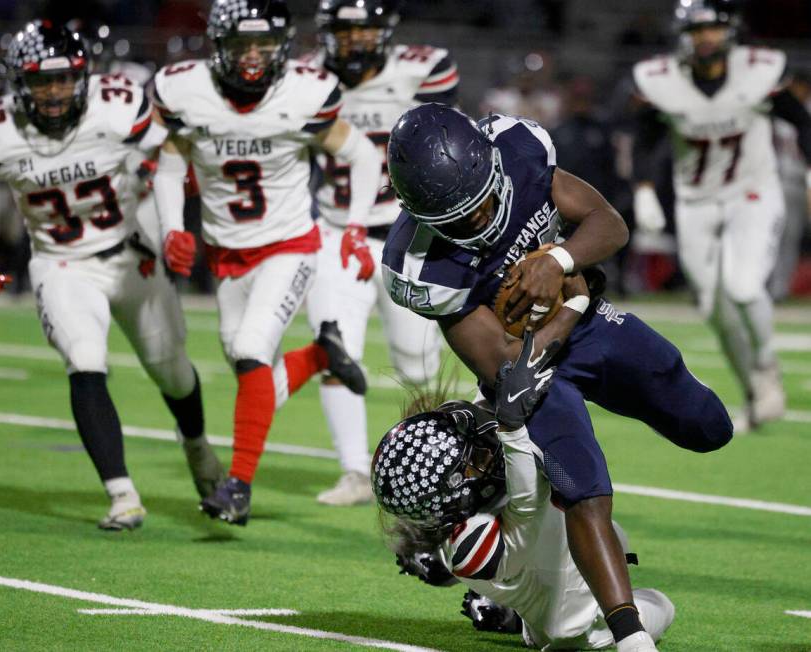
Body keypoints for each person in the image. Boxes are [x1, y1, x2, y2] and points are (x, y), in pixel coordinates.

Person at [381, 103, 733, 648]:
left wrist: (561, 262)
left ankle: (504, 591)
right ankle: (629, 633)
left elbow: (609, 225)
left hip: (587, 325)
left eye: (480, 205)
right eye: (456, 219)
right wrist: (572, 302)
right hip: (532, 364)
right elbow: (507, 365)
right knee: (579, 483)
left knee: (710, 428)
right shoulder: (421, 266)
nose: (476, 222)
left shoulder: (519, 149)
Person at [0, 21, 221, 530]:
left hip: (132, 253)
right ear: (20, 85)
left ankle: (198, 451)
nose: (55, 92)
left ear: (85, 76)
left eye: (64, 79)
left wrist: (171, 222)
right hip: (61, 263)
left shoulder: (118, 105)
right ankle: (122, 493)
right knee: (85, 361)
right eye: (41, 81)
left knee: (172, 371)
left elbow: (173, 156)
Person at [151, 0, 384, 525]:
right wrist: (172, 227)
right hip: (227, 253)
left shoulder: (302, 93)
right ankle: (321, 355)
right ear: (217, 47)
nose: (253, 57)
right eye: (240, 45)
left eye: (263, 45)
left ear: (282, 47)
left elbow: (363, 155)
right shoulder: (189, 93)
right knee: (244, 361)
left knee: (253, 349)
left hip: (288, 245)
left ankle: (238, 486)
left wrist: (354, 227)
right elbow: (170, 162)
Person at [373, 329, 676, 651]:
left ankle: (497, 600)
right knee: (631, 615)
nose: (481, 447)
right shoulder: (468, 545)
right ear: (453, 494)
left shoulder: (461, 499)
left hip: (560, 548)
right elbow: (525, 504)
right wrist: (512, 428)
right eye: (472, 458)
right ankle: (519, 615)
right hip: (568, 612)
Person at [300, 0, 459, 506]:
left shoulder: (420, 70)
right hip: (335, 228)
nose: (353, 41)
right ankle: (354, 472)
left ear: (384, 32)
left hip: (408, 232)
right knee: (335, 348)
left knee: (416, 364)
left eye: (364, 30)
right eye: (344, 31)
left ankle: (442, 464)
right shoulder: (305, 79)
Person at [631, 0, 811, 431]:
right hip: (695, 200)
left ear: (730, 31)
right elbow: (644, 137)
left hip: (752, 192)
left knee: (744, 286)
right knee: (713, 306)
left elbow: (800, 121)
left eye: (712, 29)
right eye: (696, 31)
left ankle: (766, 366)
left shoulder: (759, 70)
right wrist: (643, 189)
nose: (705, 38)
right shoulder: (662, 80)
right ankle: (752, 388)